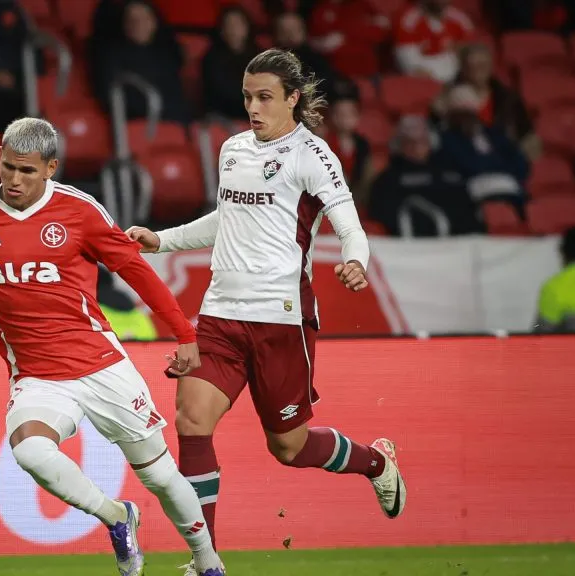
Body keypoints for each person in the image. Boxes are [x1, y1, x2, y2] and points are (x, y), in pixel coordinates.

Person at [125, 49, 407, 572]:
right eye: (247, 97)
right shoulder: (232, 149)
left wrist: (354, 260)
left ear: (293, 99)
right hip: (219, 316)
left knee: (290, 447)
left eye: (265, 98)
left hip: (280, 320)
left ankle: (374, 462)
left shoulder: (312, 155)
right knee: (191, 420)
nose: (253, 107)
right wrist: (160, 240)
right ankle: (204, 559)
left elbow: (350, 224)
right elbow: (225, 220)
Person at [0, 117, 225, 576]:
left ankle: (206, 559)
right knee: (29, 451)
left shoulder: (81, 212)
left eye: (27, 171)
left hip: (100, 365)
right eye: (7, 167)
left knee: (158, 474)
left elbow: (135, 270)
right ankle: (117, 517)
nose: (14, 180)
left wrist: (185, 334)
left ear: (50, 167)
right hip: (36, 374)